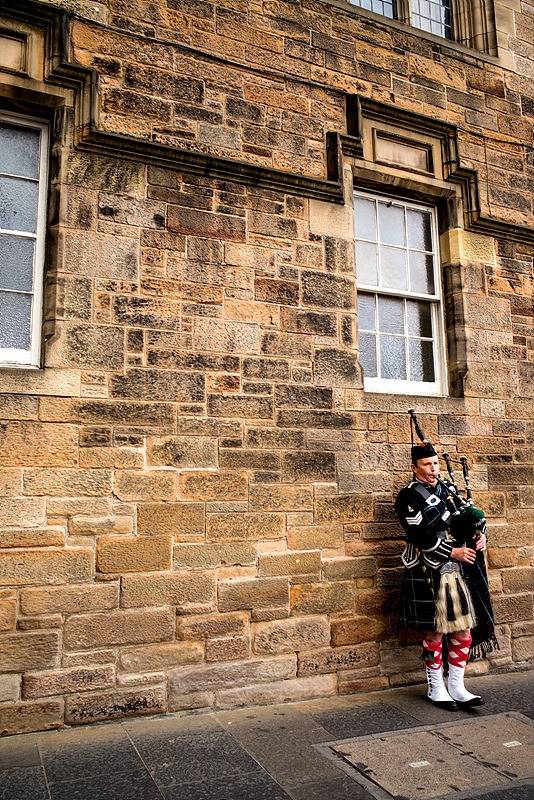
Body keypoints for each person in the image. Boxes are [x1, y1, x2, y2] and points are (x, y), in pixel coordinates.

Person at [395, 442, 490, 711]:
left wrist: (480, 535)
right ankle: (436, 687)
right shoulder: (408, 496)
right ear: (414, 468)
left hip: (457, 568)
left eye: (435, 463)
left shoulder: (448, 490)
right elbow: (419, 536)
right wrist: (453, 552)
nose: (433, 468)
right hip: (428, 567)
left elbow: (468, 518)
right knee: (435, 631)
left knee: (463, 628)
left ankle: (457, 686)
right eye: (427, 464)